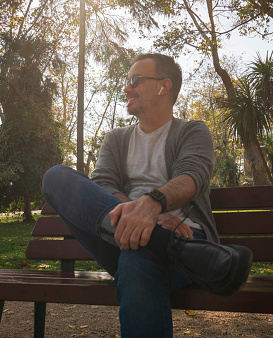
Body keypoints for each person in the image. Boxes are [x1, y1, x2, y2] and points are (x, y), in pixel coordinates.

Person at [41, 53, 252, 337]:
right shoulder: (116, 138)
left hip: (188, 235)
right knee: (55, 176)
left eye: (134, 80)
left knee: (136, 257)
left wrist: (153, 204)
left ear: (163, 86)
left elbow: (192, 177)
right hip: (158, 243)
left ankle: (160, 243)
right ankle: (165, 243)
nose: (127, 87)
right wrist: (145, 218)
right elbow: (102, 183)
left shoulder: (193, 131)